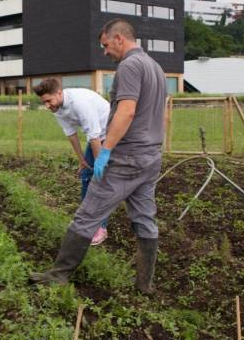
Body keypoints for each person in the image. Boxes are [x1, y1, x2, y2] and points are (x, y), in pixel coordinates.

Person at [30, 18, 167, 294]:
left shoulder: (129, 66)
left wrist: (105, 151)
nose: (105, 51)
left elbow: (126, 111)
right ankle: (145, 285)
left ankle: (58, 274)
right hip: (151, 156)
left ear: (119, 38)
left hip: (127, 157)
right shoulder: (155, 67)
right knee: (144, 218)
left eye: (106, 45)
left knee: (88, 214)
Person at [32, 78, 110, 245]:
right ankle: (84, 222)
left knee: (100, 182)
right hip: (96, 137)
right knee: (86, 177)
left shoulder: (79, 103)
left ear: (59, 93)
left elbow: (94, 136)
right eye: (44, 102)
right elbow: (71, 134)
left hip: (111, 134)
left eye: (48, 101)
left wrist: (99, 165)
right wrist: (82, 160)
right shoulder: (57, 108)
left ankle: (100, 227)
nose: (47, 105)